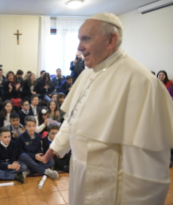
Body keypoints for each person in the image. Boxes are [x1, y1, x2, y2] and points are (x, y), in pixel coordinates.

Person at [44, 12, 173, 205]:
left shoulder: (142, 82)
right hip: (79, 173)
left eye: (86, 39)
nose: (79, 47)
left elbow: (149, 170)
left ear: (111, 40)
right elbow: (74, 118)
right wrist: (56, 146)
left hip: (110, 187)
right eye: (79, 39)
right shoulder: (88, 74)